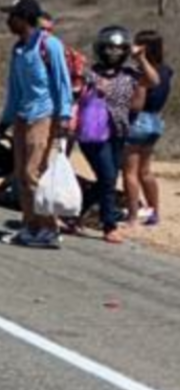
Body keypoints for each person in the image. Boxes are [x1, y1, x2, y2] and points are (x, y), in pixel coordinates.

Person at [0, 0, 73, 248]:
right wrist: (5, 120)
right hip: (22, 116)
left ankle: (49, 227)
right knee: (21, 175)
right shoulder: (18, 49)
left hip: (44, 116)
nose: (8, 22)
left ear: (24, 18)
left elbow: (63, 84)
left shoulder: (50, 46)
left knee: (33, 172)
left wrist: (64, 117)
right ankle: (30, 226)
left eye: (12, 16)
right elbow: (14, 89)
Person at [76, 26, 146, 244]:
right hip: (92, 133)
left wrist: (141, 59)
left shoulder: (132, 74)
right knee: (107, 177)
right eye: (109, 47)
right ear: (100, 48)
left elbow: (141, 98)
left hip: (119, 133)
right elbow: (75, 99)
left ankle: (71, 214)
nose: (113, 52)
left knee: (107, 178)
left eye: (119, 48)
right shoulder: (88, 73)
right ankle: (109, 225)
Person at [124, 30, 170, 227]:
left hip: (138, 121)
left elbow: (137, 101)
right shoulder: (166, 70)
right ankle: (154, 212)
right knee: (146, 171)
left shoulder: (143, 72)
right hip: (155, 121)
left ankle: (133, 216)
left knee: (130, 172)